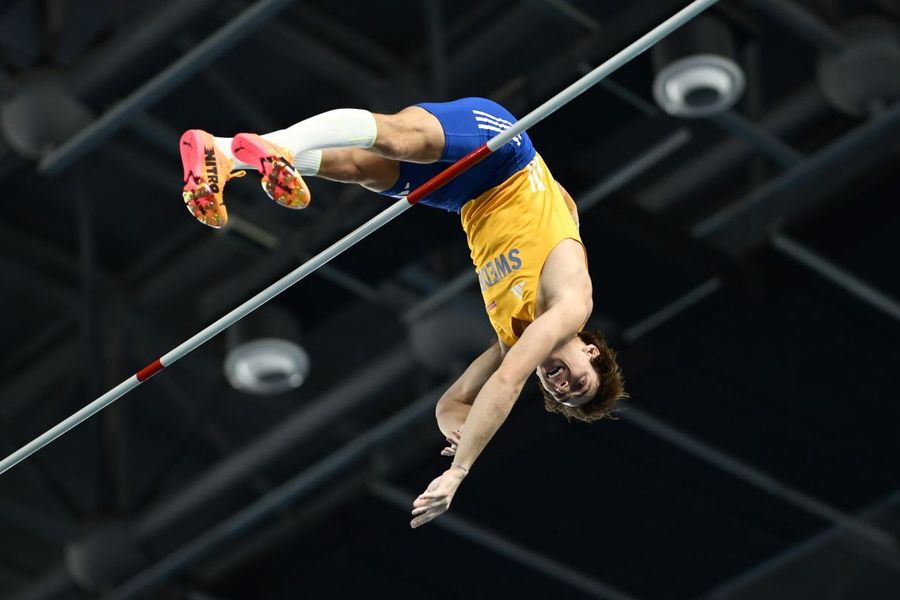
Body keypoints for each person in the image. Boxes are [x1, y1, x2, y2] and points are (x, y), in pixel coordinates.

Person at [179, 97, 627, 528]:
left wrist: (464, 432)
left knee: (360, 169)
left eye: (562, 394)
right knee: (398, 138)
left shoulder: (513, 337)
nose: (561, 384)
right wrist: (460, 471)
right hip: (503, 159)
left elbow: (450, 404)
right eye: (578, 381)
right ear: (591, 350)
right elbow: (507, 382)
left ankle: (220, 151)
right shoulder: (571, 305)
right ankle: (281, 148)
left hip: (465, 197)